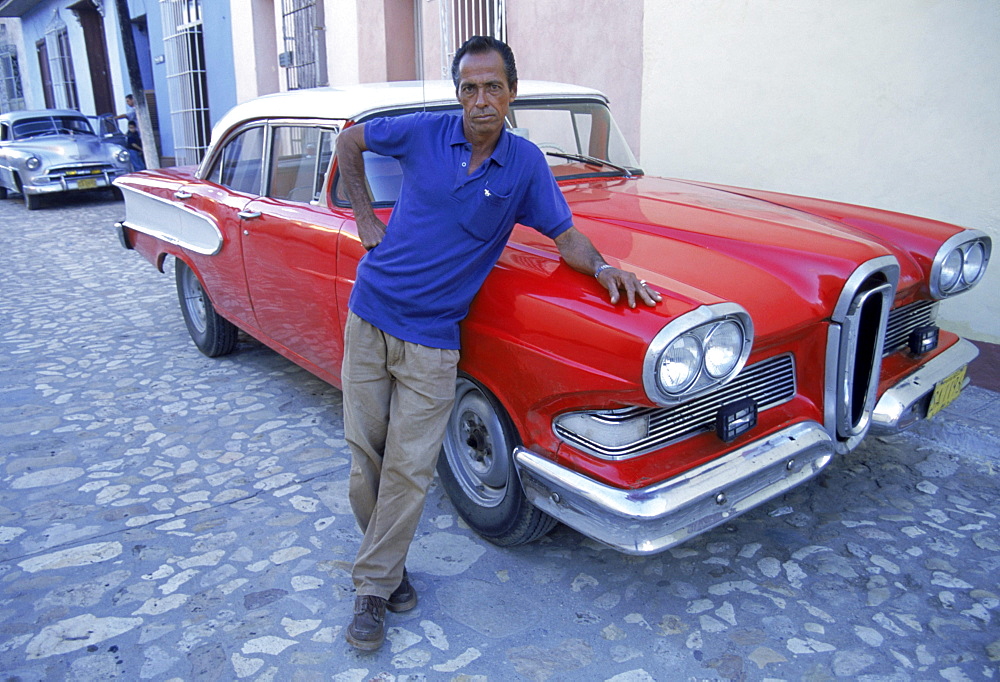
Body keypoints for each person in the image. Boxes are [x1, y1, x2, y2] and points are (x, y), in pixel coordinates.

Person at [336, 35, 661, 651]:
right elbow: (349, 139)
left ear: (512, 93)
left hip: (433, 340)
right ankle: (392, 568)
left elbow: (565, 236)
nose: (480, 100)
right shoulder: (424, 132)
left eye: (492, 88)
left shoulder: (525, 165)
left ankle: (372, 589)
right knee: (365, 458)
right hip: (370, 316)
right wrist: (364, 217)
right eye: (469, 88)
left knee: (410, 467)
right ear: (457, 92)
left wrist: (605, 268)